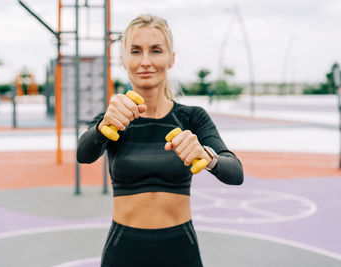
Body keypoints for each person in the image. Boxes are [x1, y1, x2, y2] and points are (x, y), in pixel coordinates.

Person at [77, 14, 243, 267]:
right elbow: (83, 154)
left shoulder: (192, 117)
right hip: (123, 251)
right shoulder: (113, 119)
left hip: (180, 251)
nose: (145, 61)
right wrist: (102, 128)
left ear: (171, 58)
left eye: (155, 51)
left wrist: (207, 157)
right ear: (124, 60)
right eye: (135, 51)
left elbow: (235, 172)